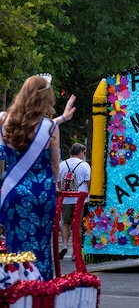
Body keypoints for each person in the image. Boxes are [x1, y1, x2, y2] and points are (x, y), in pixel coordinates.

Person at [0, 74, 76, 280]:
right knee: (40, 247)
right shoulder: (50, 128)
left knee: (14, 245)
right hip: (41, 195)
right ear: (45, 99)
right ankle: (40, 291)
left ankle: (15, 289)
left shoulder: (4, 121)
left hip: (12, 194)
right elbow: (54, 166)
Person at [58, 142, 91, 260]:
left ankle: (65, 245)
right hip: (80, 199)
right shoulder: (84, 165)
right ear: (81, 152)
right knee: (78, 225)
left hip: (66, 199)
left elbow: (58, 183)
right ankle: (75, 251)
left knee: (66, 223)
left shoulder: (62, 164)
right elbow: (88, 182)